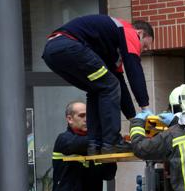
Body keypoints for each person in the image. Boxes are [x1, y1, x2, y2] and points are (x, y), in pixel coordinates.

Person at [42, 14, 154, 155]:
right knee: (109, 85)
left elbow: (120, 83)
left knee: (97, 88)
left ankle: (95, 144)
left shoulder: (111, 51)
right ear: (140, 33)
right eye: (144, 46)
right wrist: (145, 108)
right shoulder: (128, 30)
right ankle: (111, 142)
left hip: (52, 52)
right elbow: (134, 69)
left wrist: (133, 119)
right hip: (68, 45)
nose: (141, 50)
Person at [51, 101, 117, 191]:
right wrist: (107, 139)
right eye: (81, 116)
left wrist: (110, 156)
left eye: (88, 116)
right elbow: (79, 144)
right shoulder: (64, 140)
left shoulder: (96, 144)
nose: (87, 119)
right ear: (70, 119)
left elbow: (108, 175)